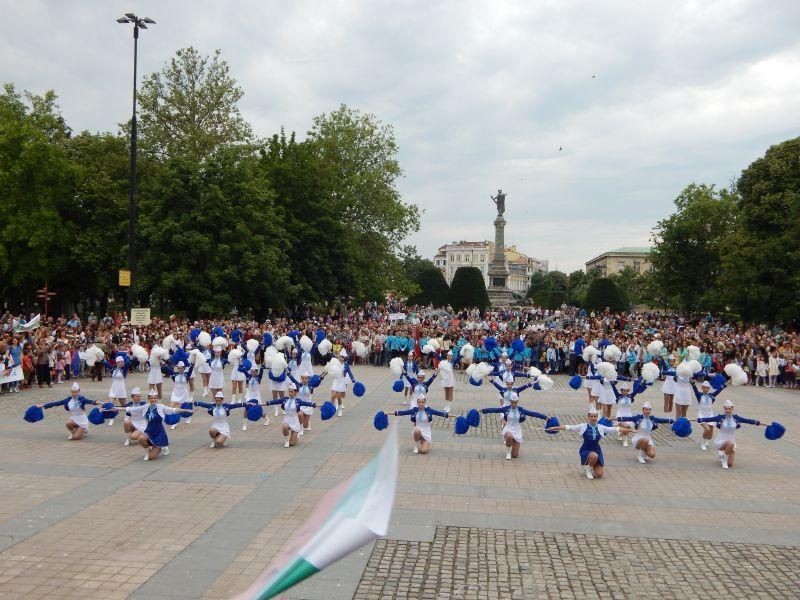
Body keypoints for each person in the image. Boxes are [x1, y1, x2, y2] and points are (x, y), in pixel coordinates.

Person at [547, 406, 634, 479]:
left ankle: (592, 464)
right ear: (588, 417)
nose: (593, 418)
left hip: (597, 450)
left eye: (595, 416)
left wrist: (629, 430)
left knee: (599, 474)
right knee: (593, 456)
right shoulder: (583, 426)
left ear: (597, 417)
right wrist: (555, 428)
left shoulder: (601, 427)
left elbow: (616, 429)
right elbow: (568, 427)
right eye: (591, 416)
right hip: (586, 450)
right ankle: (588, 468)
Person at [697, 399, 765, 469]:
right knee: (731, 443)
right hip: (721, 440)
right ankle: (724, 460)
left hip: (731, 438)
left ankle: (723, 455)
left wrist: (762, 424)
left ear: (732, 409)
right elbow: (707, 419)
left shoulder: (736, 418)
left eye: (729, 409)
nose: (728, 410)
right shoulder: (720, 417)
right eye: (726, 409)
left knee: (730, 464)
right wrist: (697, 419)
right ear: (724, 409)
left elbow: (749, 421)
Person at [481, 392, 548, 460]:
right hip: (508, 428)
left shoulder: (521, 410)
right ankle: (508, 452)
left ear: (517, 401)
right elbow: (495, 410)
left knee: (515, 455)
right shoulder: (506, 409)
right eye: (512, 402)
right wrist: (482, 411)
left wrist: (545, 417)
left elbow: (533, 413)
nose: (514, 404)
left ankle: (512, 443)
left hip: (517, 430)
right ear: (510, 401)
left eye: (515, 402)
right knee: (509, 436)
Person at [138, 389, 185, 461]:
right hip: (149, 431)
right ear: (148, 399)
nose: (153, 400)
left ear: (157, 398)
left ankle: (161, 446)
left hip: (159, 434)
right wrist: (117, 408)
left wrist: (188, 410)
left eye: (154, 398)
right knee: (141, 438)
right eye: (151, 398)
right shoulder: (145, 407)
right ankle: (147, 453)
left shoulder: (161, 407)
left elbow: (173, 410)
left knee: (152, 458)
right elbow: (131, 409)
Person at [264, 382, 316, 448]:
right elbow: (275, 401)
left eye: (292, 392)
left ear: (295, 393)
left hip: (294, 421)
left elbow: (307, 403)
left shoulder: (298, 401)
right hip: (287, 419)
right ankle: (286, 441)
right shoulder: (285, 399)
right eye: (289, 392)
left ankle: (296, 435)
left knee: (292, 444)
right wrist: (265, 403)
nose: (290, 393)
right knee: (285, 426)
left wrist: (314, 405)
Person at [693, 379, 725, 451]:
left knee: (710, 435)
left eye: (708, 388)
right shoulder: (699, 395)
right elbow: (694, 389)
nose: (706, 389)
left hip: (710, 415)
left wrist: (727, 383)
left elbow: (719, 390)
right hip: (701, 415)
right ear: (702, 388)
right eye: (705, 387)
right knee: (706, 429)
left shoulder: (711, 395)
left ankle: (706, 439)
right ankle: (702, 443)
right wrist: (692, 383)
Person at [102, 355, 129, 425]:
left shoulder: (124, 370)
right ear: (117, 363)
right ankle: (112, 417)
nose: (122, 363)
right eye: (120, 362)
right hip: (113, 388)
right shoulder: (113, 369)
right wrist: (101, 358)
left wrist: (129, 357)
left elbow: (128, 363)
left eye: (123, 362)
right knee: (111, 404)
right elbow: (106, 364)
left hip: (121, 389)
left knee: (124, 405)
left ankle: (127, 415)